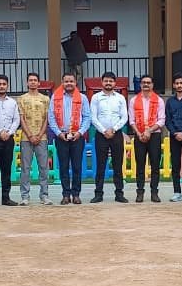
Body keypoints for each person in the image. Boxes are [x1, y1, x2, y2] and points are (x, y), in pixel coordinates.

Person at [49, 73, 91, 204]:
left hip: (77, 137)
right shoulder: (55, 97)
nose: (69, 83)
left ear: (75, 83)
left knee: (77, 166)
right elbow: (51, 117)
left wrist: (80, 132)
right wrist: (58, 133)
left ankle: (76, 194)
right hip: (61, 136)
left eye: (71, 81)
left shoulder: (82, 98)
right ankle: (66, 194)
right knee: (63, 167)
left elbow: (87, 117)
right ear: (62, 82)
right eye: (66, 81)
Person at [90, 72, 129, 203]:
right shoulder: (96, 97)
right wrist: (103, 130)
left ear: (115, 83)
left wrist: (114, 129)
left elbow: (124, 117)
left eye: (111, 81)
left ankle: (119, 193)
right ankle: (98, 194)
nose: (108, 83)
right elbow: (93, 117)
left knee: (118, 164)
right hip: (101, 135)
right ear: (102, 82)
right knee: (101, 165)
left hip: (116, 134)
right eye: (106, 81)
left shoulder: (120, 98)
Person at [17, 71, 52, 205]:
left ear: (39, 83)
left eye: (35, 80)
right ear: (27, 83)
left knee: (44, 167)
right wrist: (30, 135)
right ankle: (25, 196)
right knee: (25, 168)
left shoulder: (45, 99)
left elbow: (47, 119)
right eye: (30, 80)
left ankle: (44, 195)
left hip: (42, 138)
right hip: (26, 138)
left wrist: (39, 134)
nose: (32, 82)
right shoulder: (21, 99)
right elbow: (21, 119)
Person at [0, 75, 21, 207]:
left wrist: (9, 132)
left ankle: (6, 198)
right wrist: (0, 132)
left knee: (6, 169)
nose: (1, 86)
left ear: (7, 86)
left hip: (8, 139)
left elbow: (16, 120)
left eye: (4, 84)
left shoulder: (12, 102)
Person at [130, 75, 165, 203]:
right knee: (140, 165)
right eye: (143, 82)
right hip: (139, 134)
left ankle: (154, 192)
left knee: (155, 165)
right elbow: (131, 120)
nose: (146, 84)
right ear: (140, 85)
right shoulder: (134, 100)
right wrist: (139, 133)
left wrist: (149, 131)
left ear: (152, 85)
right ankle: (140, 192)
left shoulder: (159, 100)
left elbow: (161, 120)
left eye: (148, 82)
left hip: (154, 135)